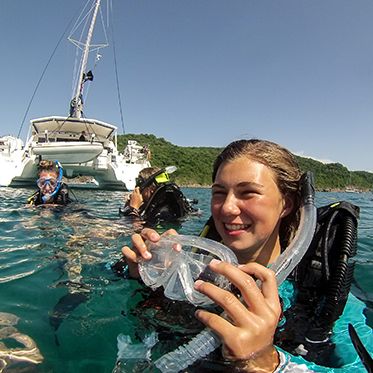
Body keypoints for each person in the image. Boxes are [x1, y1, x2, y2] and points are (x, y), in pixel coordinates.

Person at [120, 139, 372, 372]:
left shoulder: (329, 300)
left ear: (287, 204)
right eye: (219, 192)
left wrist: (267, 361)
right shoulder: (194, 272)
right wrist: (143, 277)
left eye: (248, 192)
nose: (227, 207)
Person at [119, 166, 199, 226]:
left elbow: (134, 229)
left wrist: (134, 208)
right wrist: (128, 207)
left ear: (151, 189)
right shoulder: (166, 204)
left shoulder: (161, 212)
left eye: (139, 185)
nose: (137, 189)